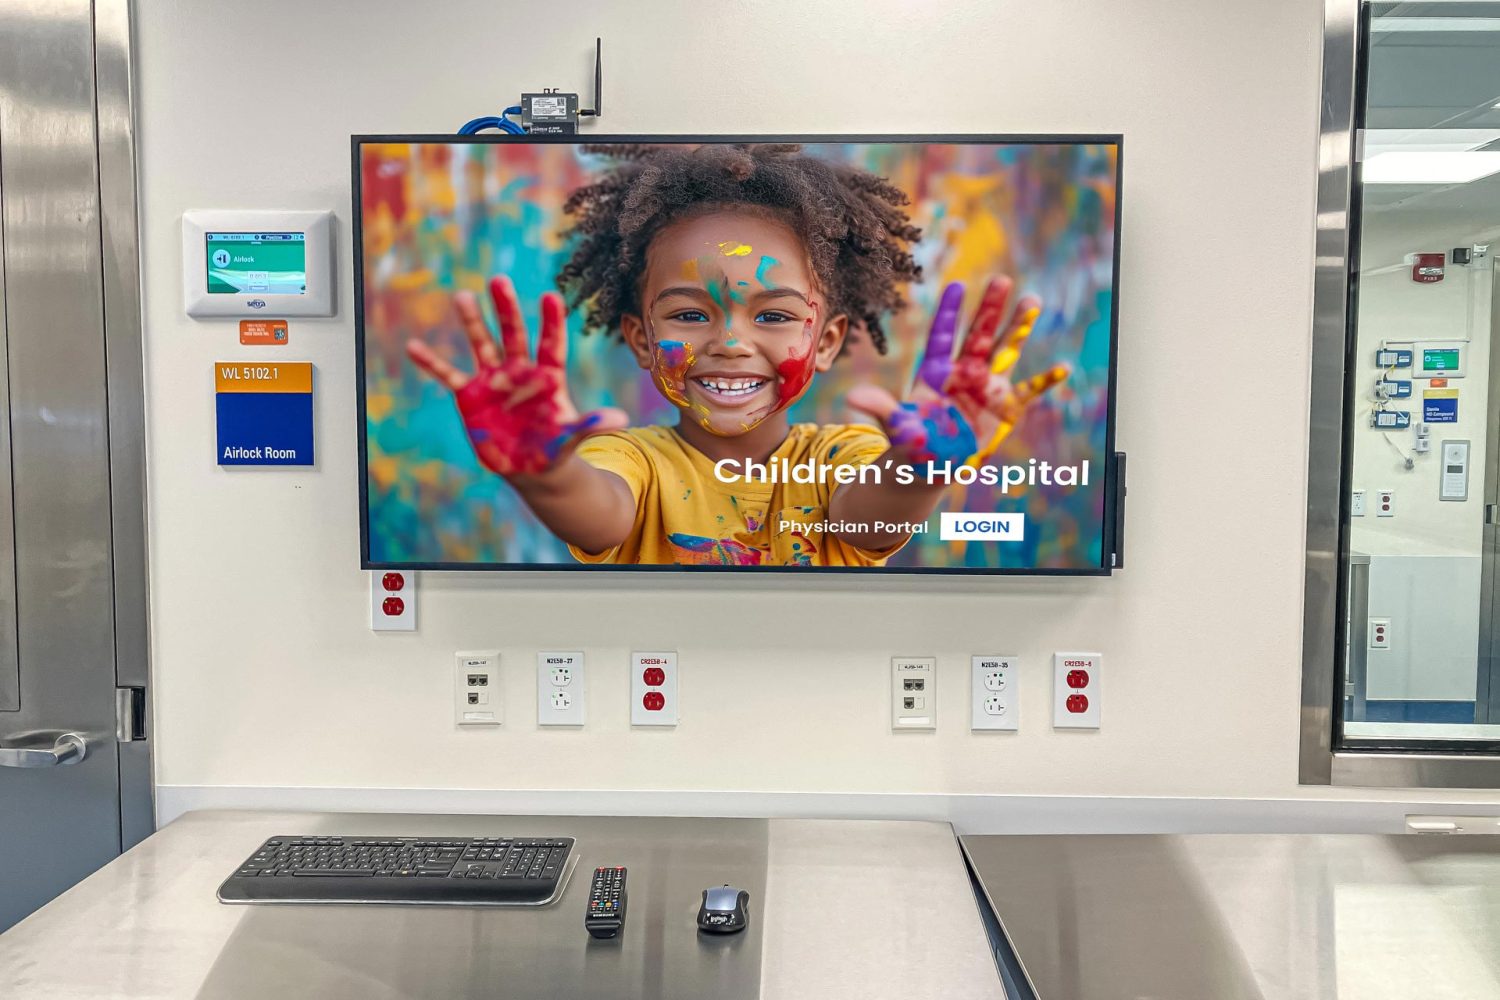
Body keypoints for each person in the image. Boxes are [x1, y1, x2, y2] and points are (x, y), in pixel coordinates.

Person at [406, 143, 1067, 567]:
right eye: (690, 315)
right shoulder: (631, 461)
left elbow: (870, 512)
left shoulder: (841, 459)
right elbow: (599, 510)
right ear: (640, 338)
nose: (727, 342)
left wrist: (921, 471)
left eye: (775, 316)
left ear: (826, 340)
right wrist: (544, 475)